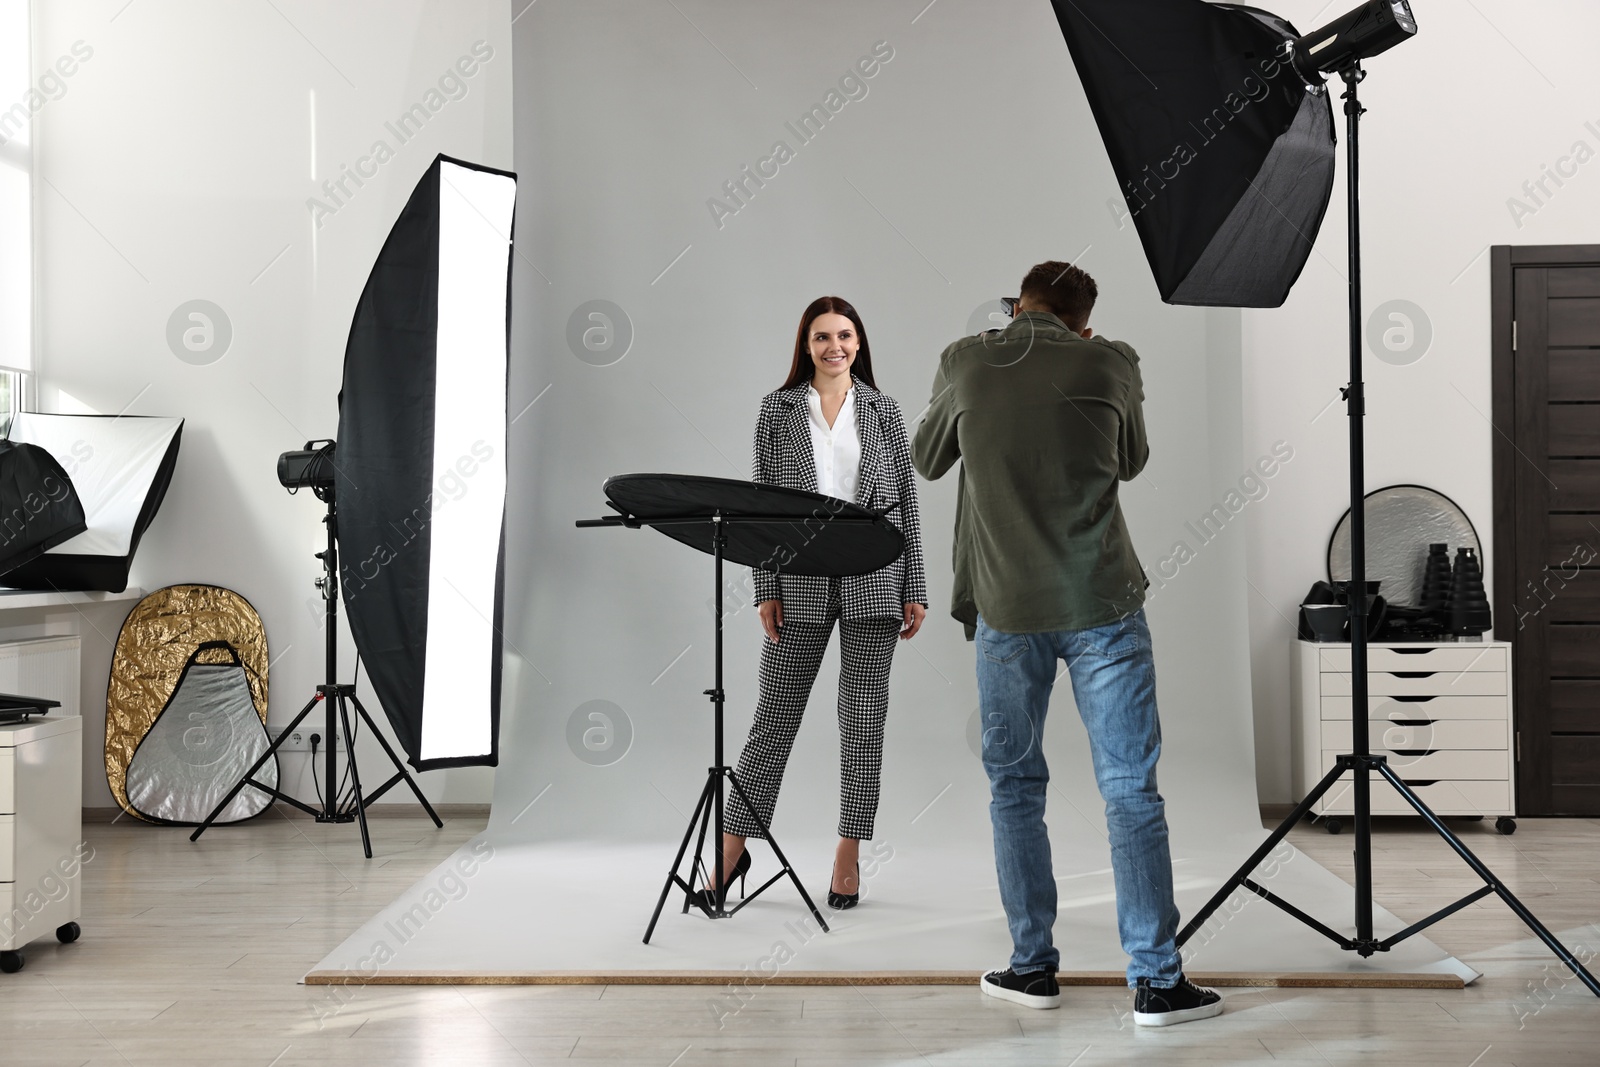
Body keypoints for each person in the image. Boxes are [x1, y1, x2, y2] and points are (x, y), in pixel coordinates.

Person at [910, 261, 1222, 1026]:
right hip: (1102, 604)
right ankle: (1156, 981)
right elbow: (1132, 460)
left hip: (1007, 612)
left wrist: (985, 359)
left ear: (1017, 306)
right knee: (1130, 790)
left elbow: (926, 457)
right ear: (1084, 321)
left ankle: (1031, 967)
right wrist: (1105, 361)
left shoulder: (965, 358)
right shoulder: (1110, 360)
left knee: (1015, 789)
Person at [704, 295, 928, 912]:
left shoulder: (884, 411)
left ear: (860, 343)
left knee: (862, 724)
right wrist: (765, 587)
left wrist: (916, 587)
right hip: (797, 578)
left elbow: (906, 505)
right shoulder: (776, 413)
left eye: (846, 336)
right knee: (772, 722)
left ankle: (848, 852)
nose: (835, 347)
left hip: (875, 582)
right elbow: (758, 509)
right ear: (805, 345)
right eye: (823, 337)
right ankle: (732, 848)